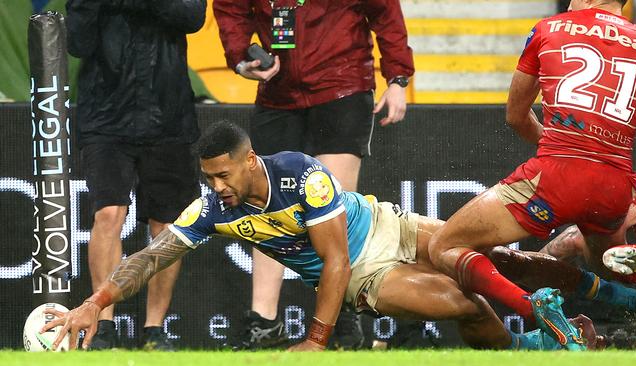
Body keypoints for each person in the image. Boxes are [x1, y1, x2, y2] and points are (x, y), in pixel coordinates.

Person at [41, 121, 586, 351]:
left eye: (223, 175)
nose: (215, 186)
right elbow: (153, 255)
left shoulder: (300, 172)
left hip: (384, 226)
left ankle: (615, 297)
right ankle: (528, 348)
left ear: (249, 161)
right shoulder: (213, 208)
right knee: (459, 300)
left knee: (503, 261)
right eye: (208, 177)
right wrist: (96, 301)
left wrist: (316, 340)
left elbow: (333, 259)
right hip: (368, 273)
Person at [426, 0, 636, 351]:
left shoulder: (550, 28)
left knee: (444, 245)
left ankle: (533, 308)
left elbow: (516, 116)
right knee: (604, 263)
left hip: (556, 174)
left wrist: (561, 149)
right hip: (617, 185)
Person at [212, 0, 414, 349]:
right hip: (277, 93)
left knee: (334, 214)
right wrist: (241, 57)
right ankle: (263, 322)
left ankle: (341, 318)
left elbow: (385, 11)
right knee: (265, 210)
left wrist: (398, 78)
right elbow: (230, 8)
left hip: (343, 87)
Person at [65, 0, 206, 350]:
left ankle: (154, 330)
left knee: (166, 226)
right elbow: (77, 42)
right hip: (104, 118)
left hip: (168, 116)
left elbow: (192, 17)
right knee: (109, 214)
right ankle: (104, 325)